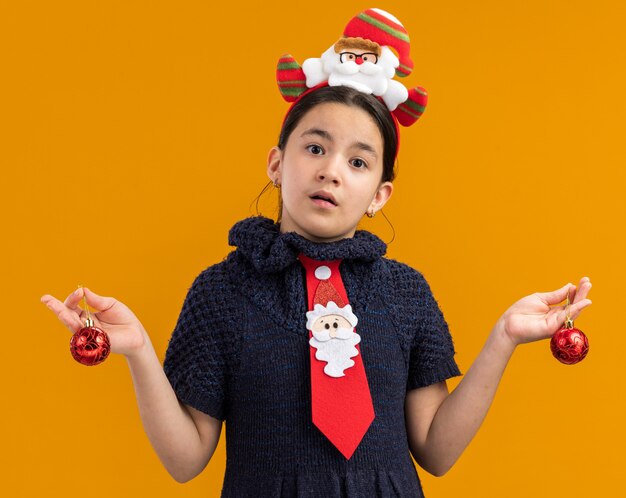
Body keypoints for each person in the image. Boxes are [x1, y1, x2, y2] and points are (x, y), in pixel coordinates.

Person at [41, 8, 592, 498]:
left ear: (379, 195)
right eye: (315, 147)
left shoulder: (405, 292)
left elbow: (436, 452)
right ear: (278, 165)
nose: (331, 168)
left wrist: (503, 339)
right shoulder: (220, 291)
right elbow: (185, 462)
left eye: (358, 161)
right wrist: (138, 350)